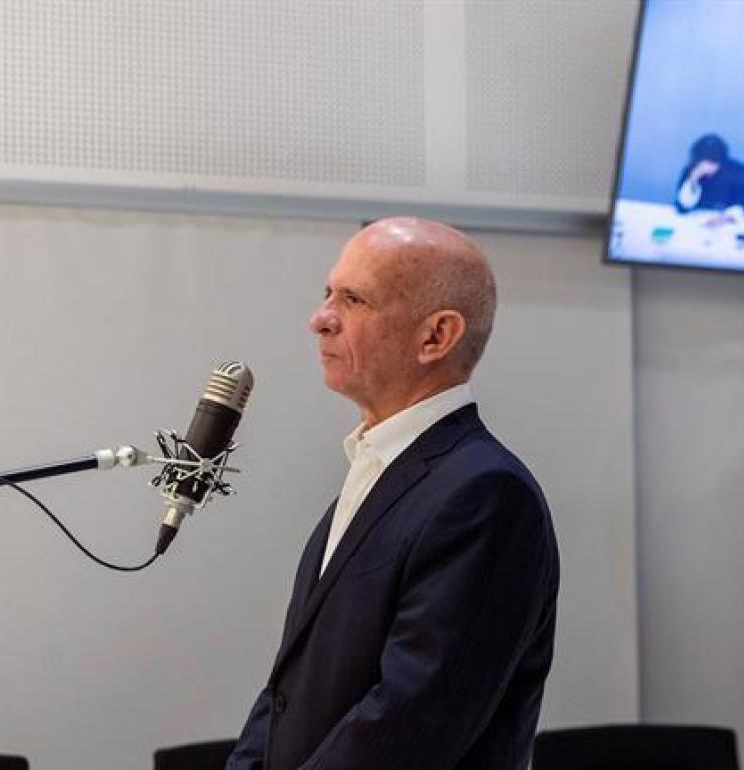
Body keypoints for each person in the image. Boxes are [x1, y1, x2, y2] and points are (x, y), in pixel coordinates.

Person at [227, 217, 560, 770]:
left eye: (353, 300)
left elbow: (411, 723)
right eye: (327, 293)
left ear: (436, 336)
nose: (320, 319)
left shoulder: (485, 494)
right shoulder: (378, 468)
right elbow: (287, 691)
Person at [673, 133, 744, 224]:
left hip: (727, 225)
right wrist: (693, 179)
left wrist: (727, 218)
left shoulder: (736, 173)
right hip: (697, 223)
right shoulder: (691, 171)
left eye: (712, 162)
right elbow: (683, 207)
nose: (706, 167)